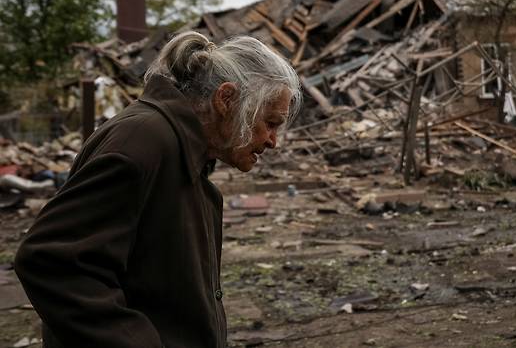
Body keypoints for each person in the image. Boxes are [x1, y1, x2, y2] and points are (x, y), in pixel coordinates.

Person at [14, 32, 302, 348]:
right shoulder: (143, 142)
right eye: (271, 123)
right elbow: (53, 262)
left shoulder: (180, 148)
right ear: (226, 100)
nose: (273, 140)